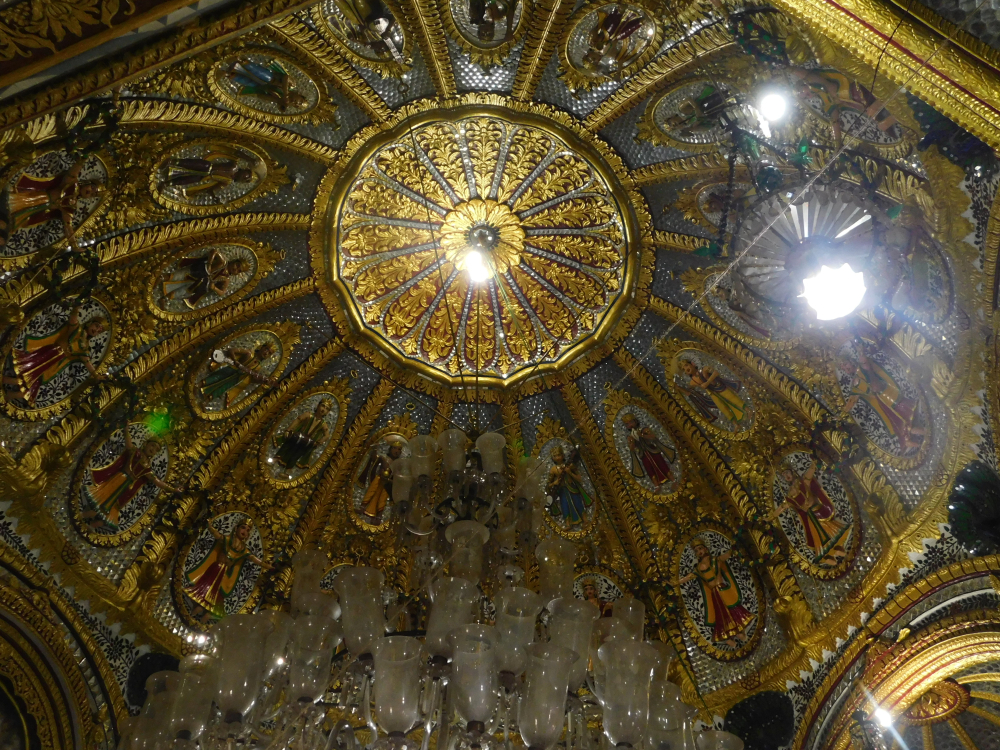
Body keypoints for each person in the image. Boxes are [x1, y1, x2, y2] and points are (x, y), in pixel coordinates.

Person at [4, 305, 107, 406]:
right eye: (97, 326)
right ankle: (6, 383)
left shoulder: (85, 347)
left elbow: (87, 361)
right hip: (49, 353)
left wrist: (96, 375)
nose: (96, 330)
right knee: (28, 374)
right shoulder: (77, 331)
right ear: (91, 323)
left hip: (53, 363)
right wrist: (76, 308)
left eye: (100, 331)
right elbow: (73, 319)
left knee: (33, 384)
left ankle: (9, 393)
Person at [82, 433, 183, 531]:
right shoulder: (135, 453)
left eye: (156, 450)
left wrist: (173, 489)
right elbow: (128, 443)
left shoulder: (147, 468)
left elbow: (156, 481)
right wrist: (126, 429)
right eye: (152, 445)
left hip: (125, 489)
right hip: (117, 480)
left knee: (108, 513)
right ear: (145, 444)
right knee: (101, 505)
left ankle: (90, 527)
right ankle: (81, 518)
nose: (153, 450)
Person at [0, 157, 103, 250]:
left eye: (93, 194)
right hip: (30, 198)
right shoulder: (71, 183)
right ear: (88, 183)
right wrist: (85, 156)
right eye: (92, 188)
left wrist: (73, 243)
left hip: (32, 211)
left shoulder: (71, 205)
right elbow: (75, 169)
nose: (90, 192)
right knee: (8, 205)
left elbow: (67, 226)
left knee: (7, 225)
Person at [183, 519, 270, 622]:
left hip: (223, 576)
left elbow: (253, 559)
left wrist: (266, 565)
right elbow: (217, 535)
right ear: (236, 528)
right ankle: (189, 618)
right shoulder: (228, 540)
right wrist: (210, 526)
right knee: (203, 600)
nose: (245, 531)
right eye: (243, 528)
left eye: (247, 530)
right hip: (215, 570)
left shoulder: (243, 549)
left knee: (212, 606)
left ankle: (199, 624)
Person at [674, 538, 755, 648]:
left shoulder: (715, 560)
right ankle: (729, 637)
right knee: (721, 615)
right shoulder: (698, 568)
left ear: (705, 549)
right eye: (696, 551)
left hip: (723, 590)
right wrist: (676, 582)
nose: (699, 552)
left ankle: (739, 633)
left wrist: (734, 548)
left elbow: (725, 556)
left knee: (732, 610)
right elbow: (688, 577)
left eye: (700, 549)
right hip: (715, 594)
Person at [841, 348, 925, 453]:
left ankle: (924, 438)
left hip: (888, 396)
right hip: (883, 404)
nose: (845, 368)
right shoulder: (855, 380)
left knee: (906, 418)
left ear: (851, 361)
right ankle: (921, 445)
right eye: (843, 367)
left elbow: (867, 367)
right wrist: (843, 412)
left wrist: (863, 357)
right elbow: (853, 399)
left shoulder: (861, 369)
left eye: (845, 364)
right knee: (902, 425)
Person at [788, 67, 897, 146]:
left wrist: (788, 68)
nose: (810, 95)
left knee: (874, 110)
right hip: (865, 105)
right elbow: (834, 121)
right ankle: (897, 114)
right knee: (883, 125)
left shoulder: (819, 81)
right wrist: (837, 143)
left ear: (804, 83)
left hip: (861, 88)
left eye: (806, 92)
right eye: (807, 97)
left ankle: (894, 100)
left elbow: (809, 76)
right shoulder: (825, 101)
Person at [768, 460, 850, 567]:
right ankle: (833, 556)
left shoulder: (802, 481)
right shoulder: (789, 494)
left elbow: (810, 471)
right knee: (819, 538)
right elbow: (782, 507)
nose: (786, 475)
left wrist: (814, 463)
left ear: (792, 472)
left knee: (829, 533)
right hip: (810, 518)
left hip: (817, 512)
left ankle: (840, 554)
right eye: (783, 475)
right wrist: (770, 518)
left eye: (787, 472)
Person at [198, 341, 277, 409]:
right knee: (216, 377)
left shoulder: (258, 366)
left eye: (269, 353)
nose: (266, 353)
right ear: (262, 347)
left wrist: (263, 381)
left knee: (221, 389)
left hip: (236, 378)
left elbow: (251, 379)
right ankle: (198, 385)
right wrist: (235, 361)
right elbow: (231, 350)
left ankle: (205, 402)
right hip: (232, 369)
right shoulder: (249, 353)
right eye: (266, 349)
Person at [161, 250, 250, 309]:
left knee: (181, 291)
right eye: (237, 266)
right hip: (195, 272)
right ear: (235, 261)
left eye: (239, 271)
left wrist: (214, 288)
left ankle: (165, 299)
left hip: (197, 284)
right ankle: (160, 278)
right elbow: (214, 251)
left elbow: (222, 292)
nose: (236, 269)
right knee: (175, 276)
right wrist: (210, 264)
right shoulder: (222, 262)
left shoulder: (225, 279)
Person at [160, 149, 256, 201]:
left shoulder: (227, 181)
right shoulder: (234, 166)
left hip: (205, 176)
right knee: (191, 163)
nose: (244, 177)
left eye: (245, 179)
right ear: (244, 170)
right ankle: (172, 161)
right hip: (208, 167)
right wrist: (250, 159)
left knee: (187, 180)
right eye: (246, 175)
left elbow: (212, 189)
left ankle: (166, 184)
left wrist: (214, 197)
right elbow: (236, 152)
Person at [581, 5, 646, 76]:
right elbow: (620, 60)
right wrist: (618, 74)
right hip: (619, 35)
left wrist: (594, 39)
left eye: (591, 60)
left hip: (608, 28)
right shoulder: (608, 53)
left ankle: (620, 10)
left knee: (616, 19)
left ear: (587, 55)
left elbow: (594, 31)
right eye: (595, 63)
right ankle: (644, 18)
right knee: (639, 23)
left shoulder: (591, 42)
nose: (594, 61)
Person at [677, 358, 746, 424]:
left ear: (692, 364)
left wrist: (707, 382)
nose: (686, 369)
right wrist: (679, 388)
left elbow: (715, 372)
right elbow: (690, 390)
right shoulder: (692, 382)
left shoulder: (703, 370)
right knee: (722, 407)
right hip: (711, 393)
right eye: (684, 369)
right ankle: (735, 423)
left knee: (732, 398)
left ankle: (747, 410)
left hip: (718, 387)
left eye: (686, 365)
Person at [224, 58, 308, 111]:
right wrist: (286, 93)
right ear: (300, 95)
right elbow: (286, 77)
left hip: (261, 86)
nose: (296, 103)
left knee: (250, 83)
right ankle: (242, 61)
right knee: (261, 74)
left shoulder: (280, 98)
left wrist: (278, 100)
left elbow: (261, 96)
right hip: (270, 78)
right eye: (300, 101)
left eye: (297, 106)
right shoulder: (292, 86)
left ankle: (229, 74)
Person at [273, 398, 335, 471]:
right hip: (296, 437)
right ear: (318, 406)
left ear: (327, 412)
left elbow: (327, 435)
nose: (323, 409)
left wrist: (318, 442)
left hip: (306, 442)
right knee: (288, 445)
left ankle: (288, 468)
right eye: (323, 406)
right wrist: (288, 429)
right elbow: (298, 420)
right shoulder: (308, 415)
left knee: (297, 454)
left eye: (326, 409)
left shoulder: (323, 424)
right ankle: (276, 459)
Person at [622, 412, 675, 489]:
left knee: (662, 464)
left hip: (652, 450)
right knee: (650, 470)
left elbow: (653, 437)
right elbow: (631, 449)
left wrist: (642, 435)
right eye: (627, 424)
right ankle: (657, 486)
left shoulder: (644, 430)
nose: (630, 425)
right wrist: (632, 442)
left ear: (635, 421)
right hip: (643, 455)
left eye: (631, 422)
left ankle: (673, 479)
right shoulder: (630, 437)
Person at [545, 445, 593, 528]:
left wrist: (570, 472)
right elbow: (548, 485)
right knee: (565, 506)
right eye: (555, 456)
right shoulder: (553, 469)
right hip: (563, 491)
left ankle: (585, 520)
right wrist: (554, 483)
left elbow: (579, 478)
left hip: (572, 488)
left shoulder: (569, 465)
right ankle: (568, 524)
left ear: (563, 455)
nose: (557, 458)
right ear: (552, 458)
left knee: (578, 503)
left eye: (559, 455)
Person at [358, 439, 404, 521]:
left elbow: (398, 476)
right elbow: (374, 458)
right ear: (390, 449)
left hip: (387, 483)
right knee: (371, 491)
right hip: (379, 478)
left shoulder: (398, 464)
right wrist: (375, 448)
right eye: (394, 448)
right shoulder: (384, 458)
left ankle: (379, 515)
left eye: (399, 449)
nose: (396, 451)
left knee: (382, 498)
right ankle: (362, 507)